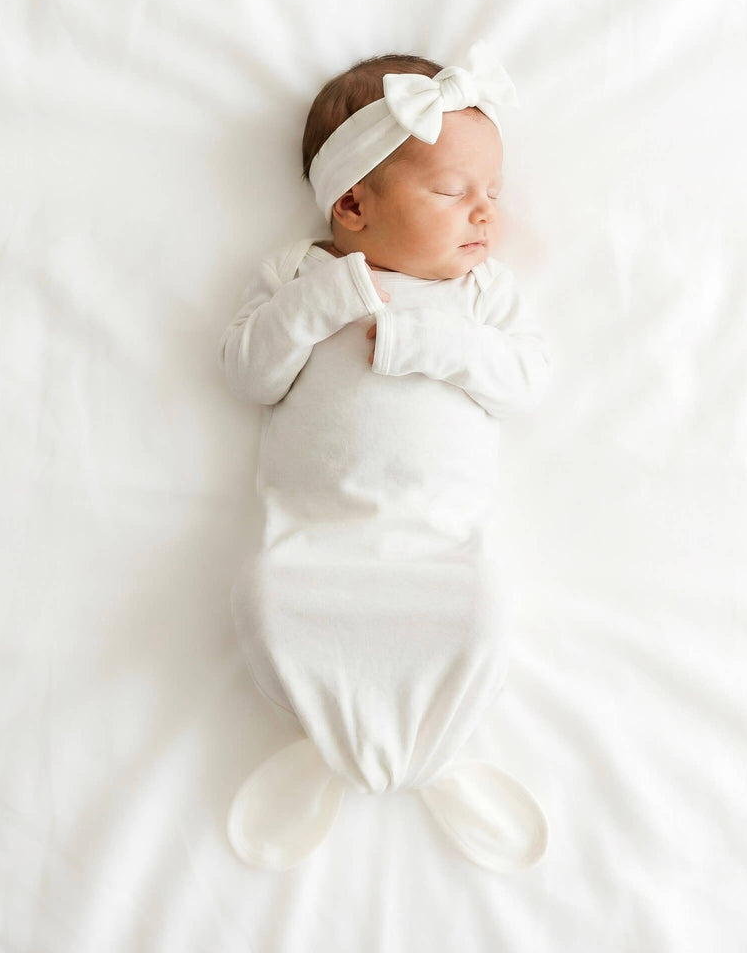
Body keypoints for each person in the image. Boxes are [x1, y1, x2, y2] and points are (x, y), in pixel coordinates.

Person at [220, 43, 550, 872]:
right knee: (265, 602)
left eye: (493, 194)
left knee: (481, 619)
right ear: (354, 206)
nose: (486, 213)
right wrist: (319, 301)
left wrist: (428, 342)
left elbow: (527, 383)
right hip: (316, 539)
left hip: (442, 542)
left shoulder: (477, 296)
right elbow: (249, 375)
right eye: (452, 190)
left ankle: (430, 755)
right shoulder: (301, 273)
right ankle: (330, 742)